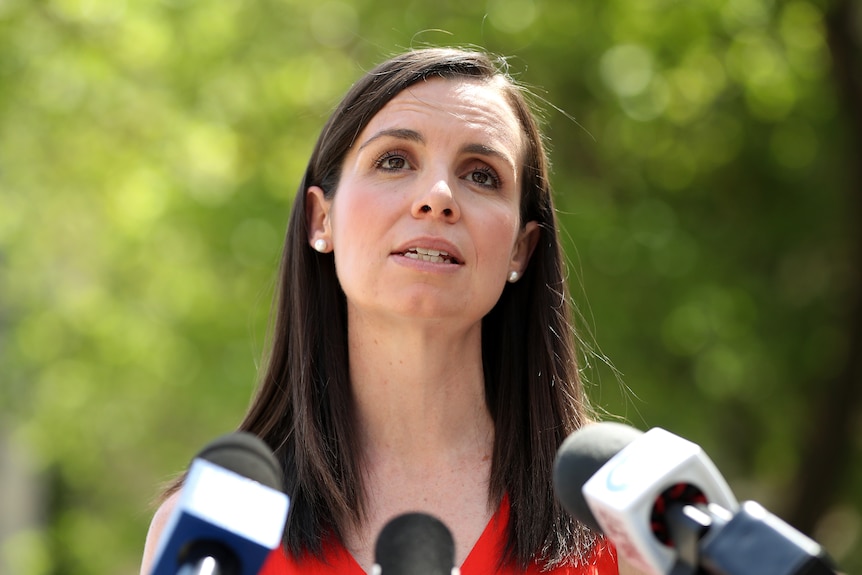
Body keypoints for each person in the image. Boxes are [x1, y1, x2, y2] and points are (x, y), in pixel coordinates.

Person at [141, 46, 636, 574]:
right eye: (394, 160)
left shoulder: (625, 517)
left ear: (521, 249)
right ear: (320, 220)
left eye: (482, 175)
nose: (438, 197)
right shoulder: (211, 536)